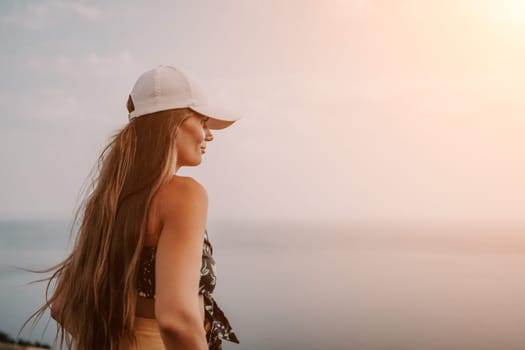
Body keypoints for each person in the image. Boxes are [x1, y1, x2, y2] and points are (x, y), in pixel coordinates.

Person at [25, 65, 241, 350]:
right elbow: (176, 319)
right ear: (174, 123)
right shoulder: (185, 195)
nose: (209, 135)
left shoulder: (108, 200)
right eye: (202, 122)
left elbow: (62, 305)